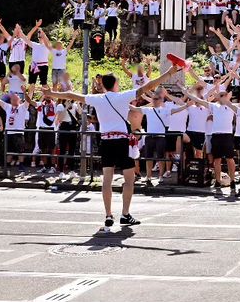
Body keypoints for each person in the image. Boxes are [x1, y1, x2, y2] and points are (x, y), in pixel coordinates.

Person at [50, 64, 180, 230]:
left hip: (106, 141)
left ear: (103, 85)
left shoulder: (98, 99)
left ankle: (108, 215)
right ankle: (125, 214)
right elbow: (149, 85)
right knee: (129, 179)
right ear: (116, 84)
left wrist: (51, 93)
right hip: (122, 142)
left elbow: (71, 95)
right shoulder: (123, 96)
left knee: (107, 180)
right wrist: (169, 72)